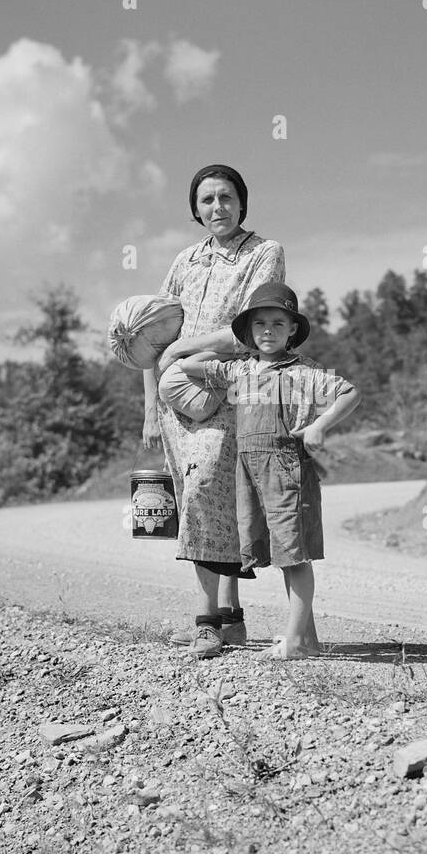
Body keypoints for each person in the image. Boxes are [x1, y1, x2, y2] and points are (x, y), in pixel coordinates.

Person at [143, 164, 285, 659]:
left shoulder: (265, 253)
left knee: (207, 489)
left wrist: (183, 349)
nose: (217, 208)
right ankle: (230, 619)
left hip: (229, 390)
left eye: (226, 198)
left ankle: (205, 621)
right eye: (206, 201)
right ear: (195, 210)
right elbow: (151, 336)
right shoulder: (184, 262)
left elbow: (249, 329)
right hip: (174, 400)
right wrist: (148, 407)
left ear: (242, 203)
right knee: (203, 502)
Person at [180, 282, 361, 660]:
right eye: (259, 323)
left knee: (295, 556)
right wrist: (233, 345)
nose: (268, 330)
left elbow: (349, 392)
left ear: (292, 329)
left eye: (278, 323)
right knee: (282, 555)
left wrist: (319, 426)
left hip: (286, 469)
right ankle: (306, 639)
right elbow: (188, 365)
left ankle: (295, 642)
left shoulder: (305, 372)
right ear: (248, 331)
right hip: (251, 472)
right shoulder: (241, 369)